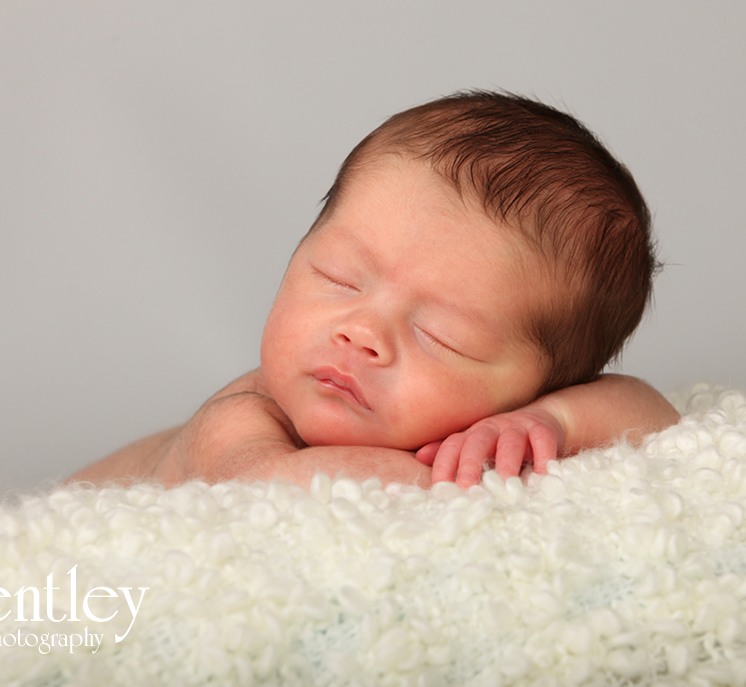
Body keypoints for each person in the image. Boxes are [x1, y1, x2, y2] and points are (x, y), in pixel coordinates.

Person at [69, 91, 679, 490]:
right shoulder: (241, 418)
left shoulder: (519, 408)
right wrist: (465, 474)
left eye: (443, 337)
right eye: (338, 278)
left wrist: (551, 422)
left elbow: (653, 415)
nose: (360, 333)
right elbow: (277, 493)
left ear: (534, 383)